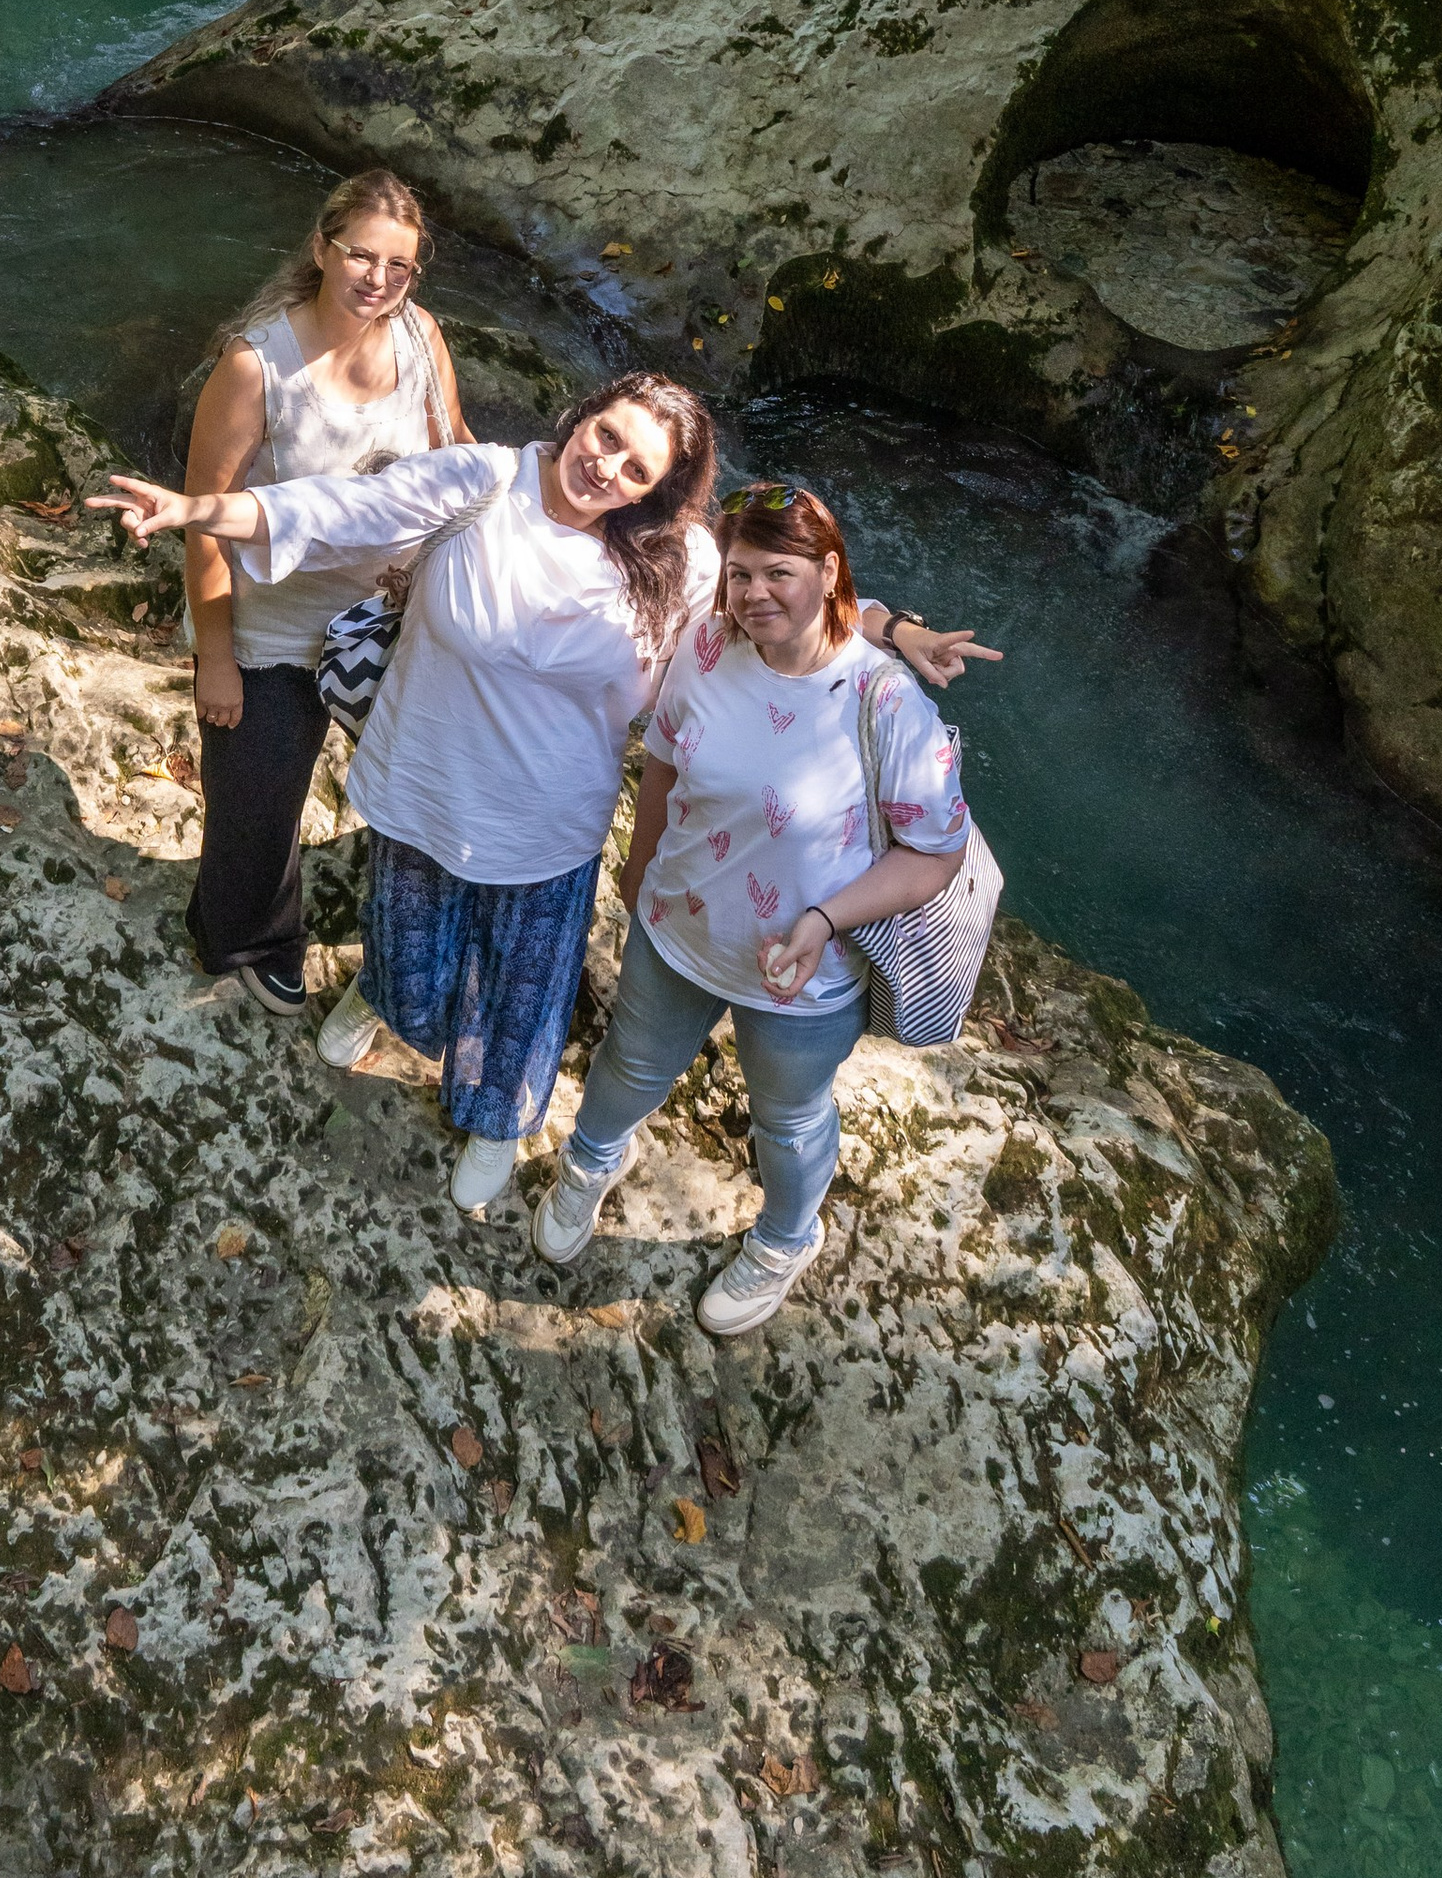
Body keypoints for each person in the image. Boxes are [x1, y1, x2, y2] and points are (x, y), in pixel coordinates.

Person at [92, 401, 988, 1218]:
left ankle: (496, 1123)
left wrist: (900, 632)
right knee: (405, 935)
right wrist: (197, 509)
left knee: (520, 989)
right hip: (427, 779)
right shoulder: (484, 479)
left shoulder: (677, 556)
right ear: (583, 417)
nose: (606, 468)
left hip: (548, 818)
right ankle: (387, 999)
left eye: (637, 469)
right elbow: (340, 510)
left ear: (659, 490)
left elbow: (796, 595)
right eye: (607, 436)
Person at [533, 477, 998, 1336]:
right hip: (682, 926)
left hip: (805, 967)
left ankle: (786, 1238)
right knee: (631, 1060)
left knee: (787, 1116)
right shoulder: (707, 648)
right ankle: (591, 1160)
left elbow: (934, 854)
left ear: (828, 574)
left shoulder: (887, 703)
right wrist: (638, 874)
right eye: (740, 573)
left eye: (777, 572)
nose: (753, 593)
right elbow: (665, 762)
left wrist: (824, 922)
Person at [181, 168, 464, 1023]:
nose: (377, 279)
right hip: (277, 629)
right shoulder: (254, 365)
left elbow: (459, 459)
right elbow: (205, 518)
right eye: (361, 256)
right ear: (321, 249)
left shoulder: (420, 339)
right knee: (259, 805)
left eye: (399, 266)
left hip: (392, 616)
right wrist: (217, 659)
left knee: (427, 785)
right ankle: (251, 936)